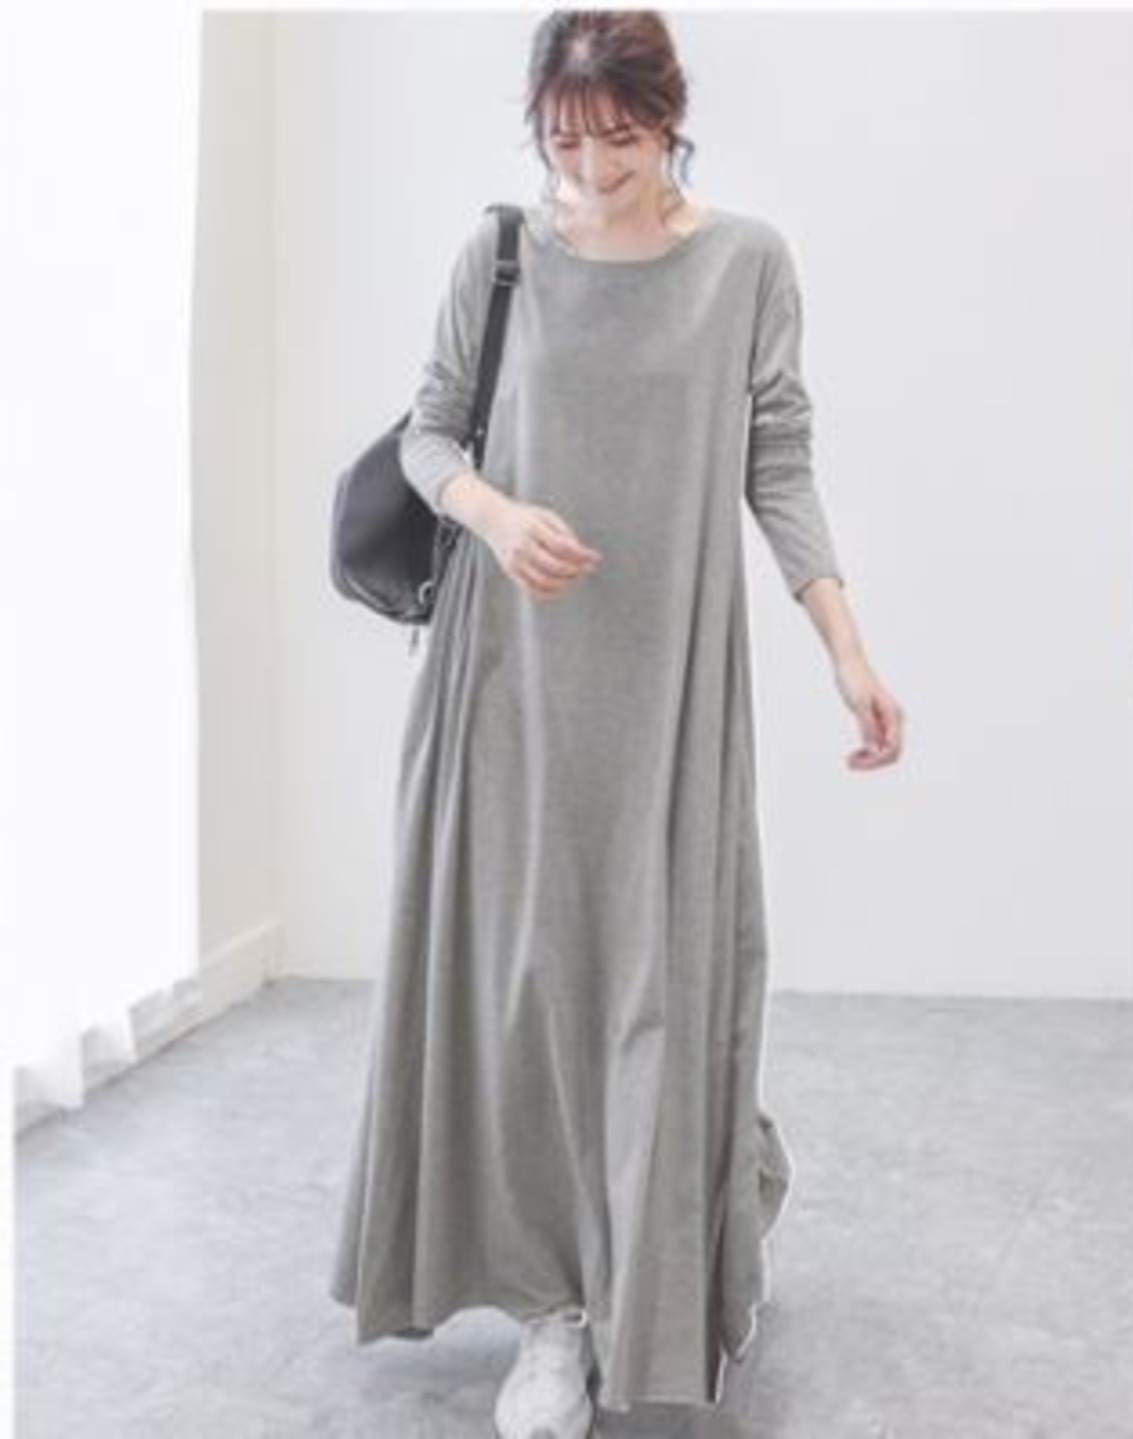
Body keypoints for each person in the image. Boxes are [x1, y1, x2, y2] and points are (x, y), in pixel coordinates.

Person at [329, 10, 905, 1437]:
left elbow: (779, 458)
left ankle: (705, 1206)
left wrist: (847, 649)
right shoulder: (503, 254)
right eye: (566, 142)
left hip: (668, 681)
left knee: (662, 986)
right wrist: (494, 512)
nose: (590, 171)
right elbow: (429, 431)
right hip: (506, 680)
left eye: (622, 141)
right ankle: (552, 1309)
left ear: (671, 120)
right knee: (527, 989)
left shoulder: (746, 264)